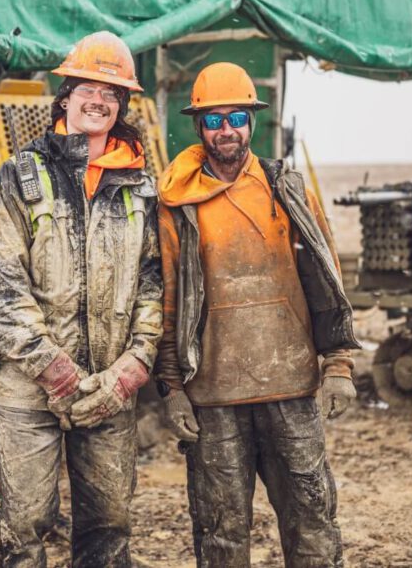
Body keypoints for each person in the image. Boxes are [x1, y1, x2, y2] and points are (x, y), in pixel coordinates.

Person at [155, 62, 360, 567]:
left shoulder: (284, 188)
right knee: (221, 534)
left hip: (291, 391)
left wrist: (338, 365)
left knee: (312, 523)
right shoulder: (178, 202)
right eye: (213, 119)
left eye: (236, 117)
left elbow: (326, 280)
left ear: (252, 121)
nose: (226, 129)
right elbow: (168, 300)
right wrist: (172, 387)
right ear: (198, 126)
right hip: (213, 399)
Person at [0, 31, 163, 567]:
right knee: (23, 529)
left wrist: (132, 368)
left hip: (108, 388)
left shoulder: (141, 187)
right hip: (28, 387)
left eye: (111, 92)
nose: (98, 100)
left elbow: (154, 283)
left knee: (109, 527)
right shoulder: (21, 175)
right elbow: (1, 291)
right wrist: (57, 373)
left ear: (122, 104)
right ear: (65, 96)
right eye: (88, 88)